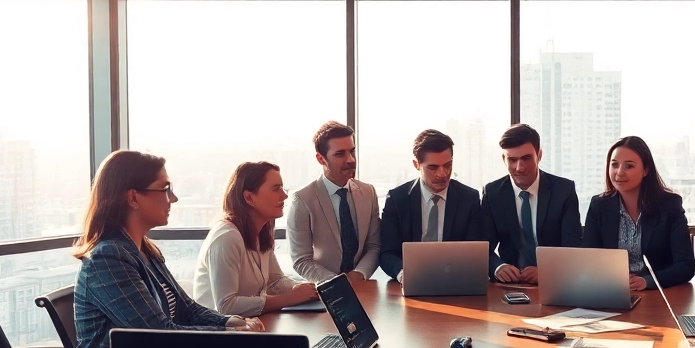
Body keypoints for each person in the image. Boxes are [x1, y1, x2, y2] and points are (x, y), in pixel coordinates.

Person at [63, 150, 263, 348]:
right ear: (132, 198)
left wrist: (232, 322)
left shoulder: (143, 250)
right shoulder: (108, 258)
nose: (174, 198)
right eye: (165, 189)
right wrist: (231, 337)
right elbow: (158, 334)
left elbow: (187, 309)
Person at [193, 161, 319, 316]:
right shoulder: (226, 237)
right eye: (275, 189)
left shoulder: (260, 232)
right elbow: (226, 306)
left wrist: (301, 289)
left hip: (249, 327)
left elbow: (275, 281)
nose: (284, 195)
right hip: (218, 334)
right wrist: (290, 298)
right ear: (249, 197)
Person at [582, 136, 694, 290]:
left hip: (659, 294)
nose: (619, 172)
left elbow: (685, 266)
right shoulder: (599, 205)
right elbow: (589, 260)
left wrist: (647, 281)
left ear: (646, 170)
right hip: (612, 290)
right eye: (614, 165)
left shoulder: (669, 205)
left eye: (629, 166)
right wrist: (611, 277)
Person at [379, 129, 485, 284]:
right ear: (416, 164)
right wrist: (403, 273)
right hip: (412, 281)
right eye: (433, 167)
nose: (442, 174)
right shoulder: (397, 199)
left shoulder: (469, 198)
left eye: (448, 165)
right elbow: (387, 253)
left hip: (456, 282)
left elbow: (476, 252)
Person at [481, 124, 581, 283]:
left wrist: (547, 271)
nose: (519, 168)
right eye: (512, 160)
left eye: (526, 158)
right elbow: (483, 247)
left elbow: (572, 248)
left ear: (539, 155)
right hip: (510, 285)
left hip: (555, 282)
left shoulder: (564, 190)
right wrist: (498, 267)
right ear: (503, 159)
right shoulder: (492, 193)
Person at [286, 121, 381, 283]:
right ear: (321, 159)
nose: (351, 160)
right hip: (324, 288)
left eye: (352, 152)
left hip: (363, 285)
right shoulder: (302, 200)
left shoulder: (368, 192)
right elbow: (301, 259)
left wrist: (358, 275)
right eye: (340, 154)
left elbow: (374, 246)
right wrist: (339, 282)